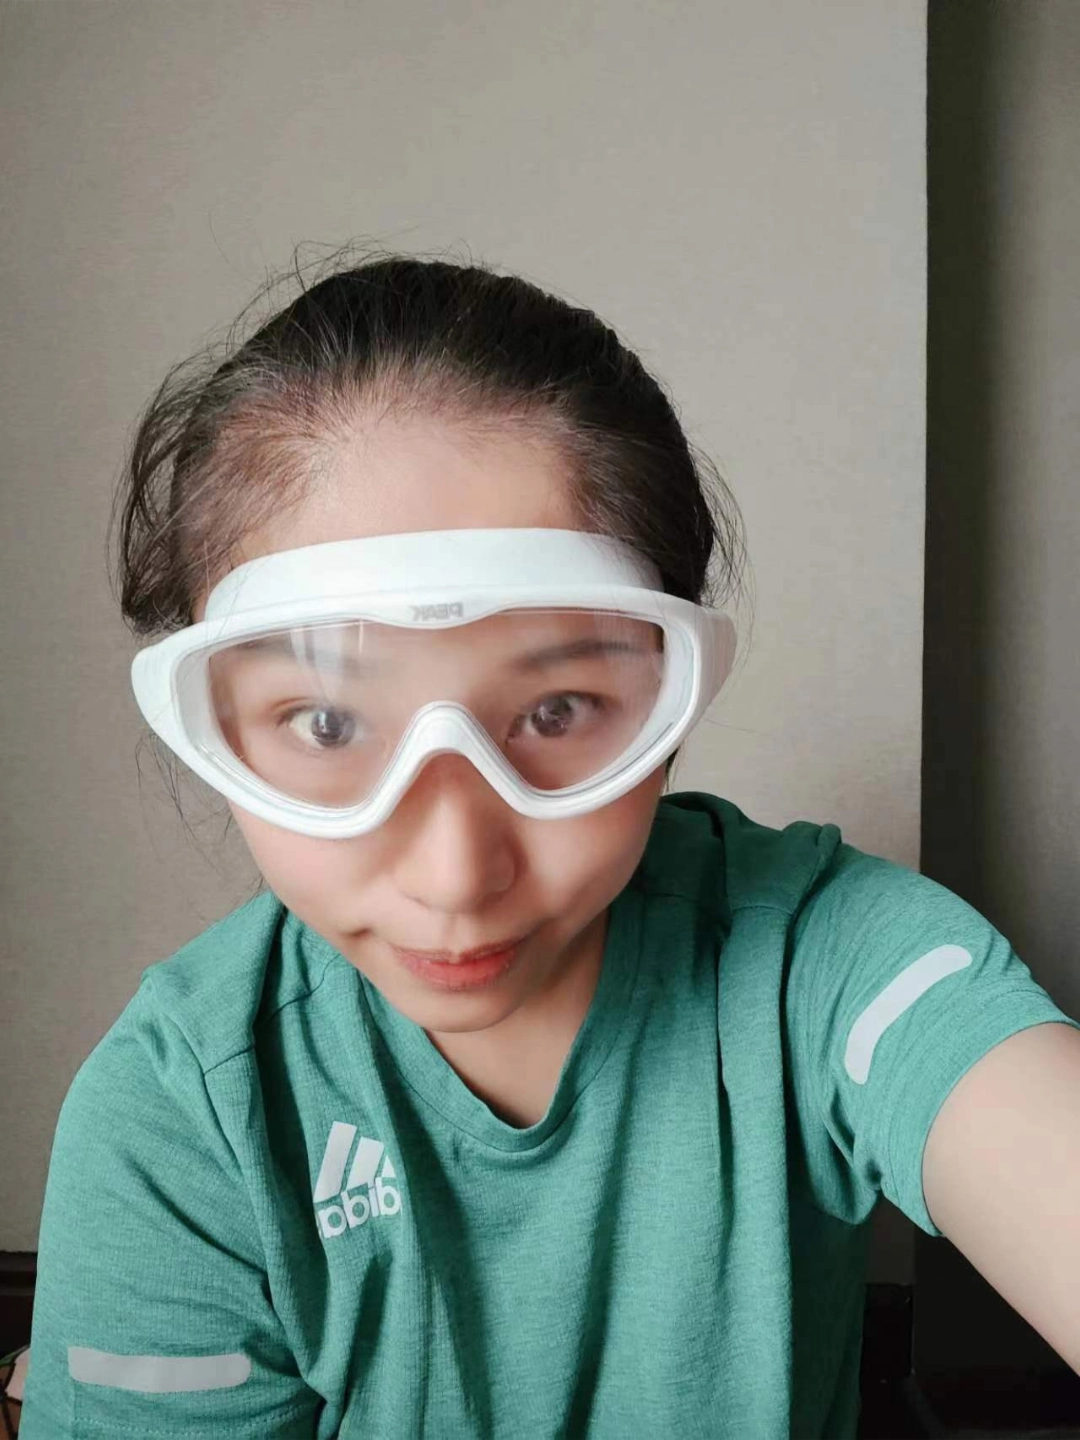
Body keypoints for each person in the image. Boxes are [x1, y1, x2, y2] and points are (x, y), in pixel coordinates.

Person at [19, 251, 1080, 1439]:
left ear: (669, 697)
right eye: (326, 723)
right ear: (215, 727)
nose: (453, 874)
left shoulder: (827, 964)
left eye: (557, 711)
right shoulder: (185, 1118)